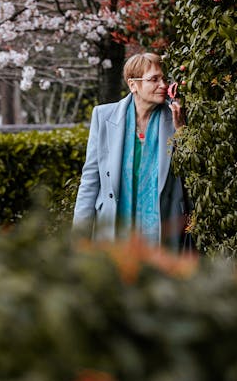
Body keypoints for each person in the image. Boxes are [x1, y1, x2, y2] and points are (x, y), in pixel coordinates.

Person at [72, 52, 190, 251]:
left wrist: (182, 131)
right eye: (154, 79)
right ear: (133, 85)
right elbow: (90, 181)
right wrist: (79, 237)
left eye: (164, 79)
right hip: (113, 232)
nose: (163, 85)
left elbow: (192, 172)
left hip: (165, 231)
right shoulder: (103, 116)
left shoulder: (176, 116)